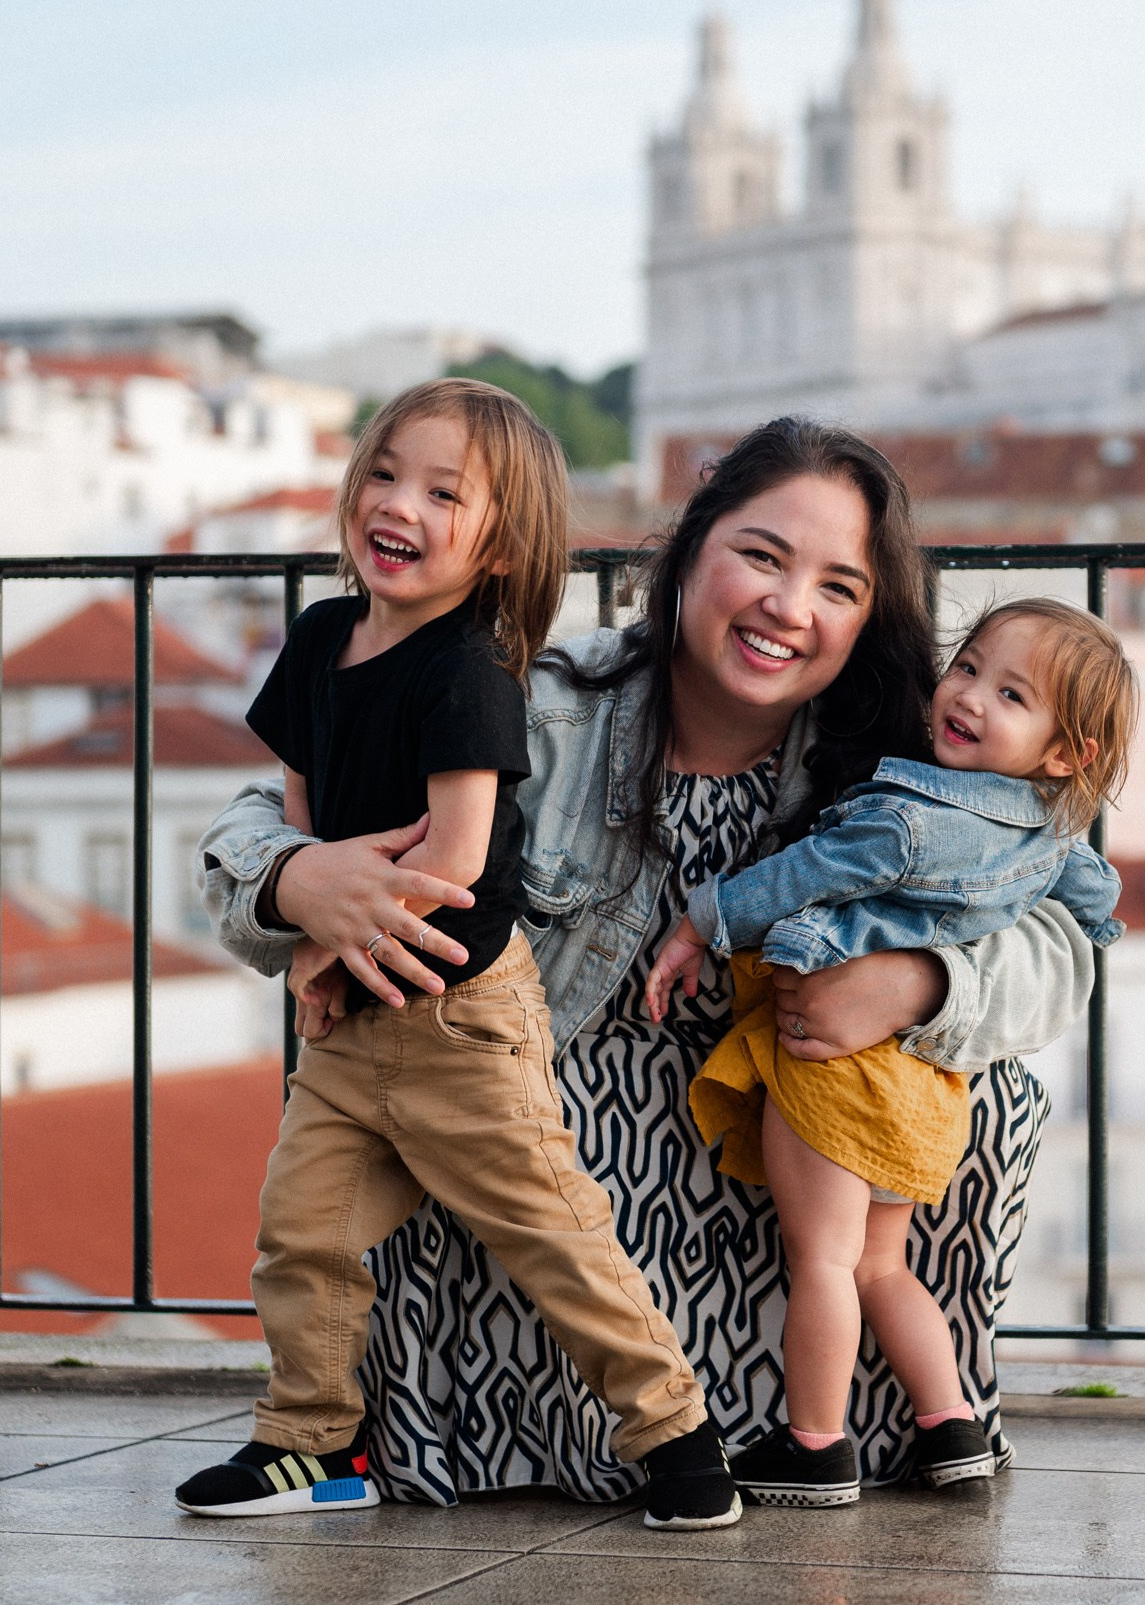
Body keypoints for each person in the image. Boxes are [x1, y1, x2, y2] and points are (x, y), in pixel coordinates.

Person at [196, 417, 1098, 1507]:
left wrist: (920, 982)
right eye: (760, 557)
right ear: (690, 552)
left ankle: (872, 1420)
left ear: (869, 616)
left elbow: (1064, 943)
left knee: (981, 1099)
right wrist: (295, 880)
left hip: (786, 1128)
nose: (788, 608)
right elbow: (253, 825)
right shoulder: (546, 701)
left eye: (837, 586)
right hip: (557, 1098)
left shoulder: (926, 761)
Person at [173, 378, 741, 1531]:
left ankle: (675, 1431)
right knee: (303, 1235)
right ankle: (310, 1439)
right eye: (384, 473)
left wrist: (335, 944)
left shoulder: (469, 668)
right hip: (350, 1021)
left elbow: (455, 861)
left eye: (443, 492)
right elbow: (298, 811)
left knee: (549, 1225)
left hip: (459, 1014)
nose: (399, 504)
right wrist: (310, 941)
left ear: (498, 545)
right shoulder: (325, 635)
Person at [644, 598, 1134, 1507]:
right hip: (928, 1080)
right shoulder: (1050, 833)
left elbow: (807, 871)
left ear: (1068, 752)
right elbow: (1097, 897)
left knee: (822, 1260)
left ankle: (816, 1445)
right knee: (881, 1264)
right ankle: (950, 1427)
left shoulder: (906, 813)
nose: (971, 696)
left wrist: (701, 920)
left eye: (1011, 693)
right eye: (969, 668)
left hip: (838, 1064)